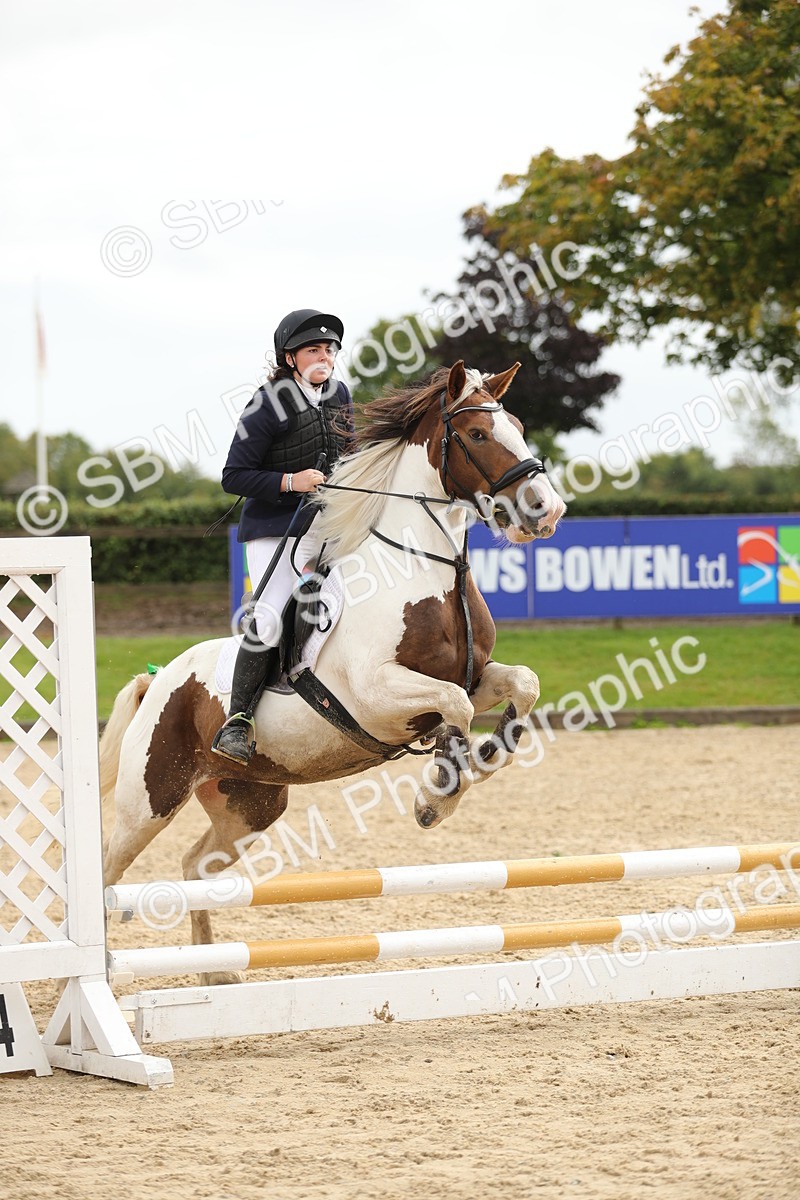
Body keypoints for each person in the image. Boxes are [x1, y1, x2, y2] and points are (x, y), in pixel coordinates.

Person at [211, 308, 354, 764]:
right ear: (290, 357)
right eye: (314, 349)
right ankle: (238, 719)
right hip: (275, 530)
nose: (325, 357)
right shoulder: (266, 402)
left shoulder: (339, 395)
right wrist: (291, 481)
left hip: (326, 527)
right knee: (269, 616)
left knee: (353, 600)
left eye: (329, 349)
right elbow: (233, 475)